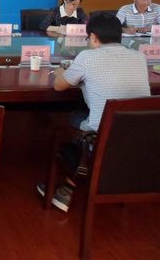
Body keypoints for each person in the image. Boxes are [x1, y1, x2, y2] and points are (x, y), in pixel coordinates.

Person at [38, 12, 150, 212]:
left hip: (101, 140)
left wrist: (61, 71)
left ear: (94, 37)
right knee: (94, 114)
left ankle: (74, 178)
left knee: (76, 116)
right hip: (139, 139)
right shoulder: (139, 57)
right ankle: (70, 185)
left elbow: (59, 86)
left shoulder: (87, 57)